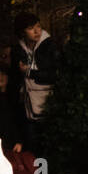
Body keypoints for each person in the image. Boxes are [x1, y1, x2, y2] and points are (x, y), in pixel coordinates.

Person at [12, 12, 63, 141]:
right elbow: (15, 77)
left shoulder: (49, 45)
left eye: (38, 26)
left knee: (47, 144)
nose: (36, 31)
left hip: (47, 103)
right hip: (27, 105)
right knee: (32, 145)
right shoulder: (18, 49)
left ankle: (43, 162)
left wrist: (30, 73)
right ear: (22, 32)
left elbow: (56, 74)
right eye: (30, 28)